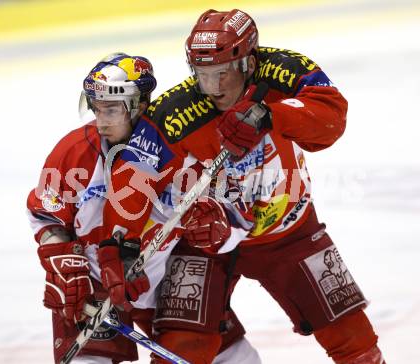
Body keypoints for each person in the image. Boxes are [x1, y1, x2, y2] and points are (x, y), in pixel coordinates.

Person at [103, 9, 386, 364]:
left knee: (354, 341)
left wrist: (271, 115)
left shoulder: (285, 71)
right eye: (203, 76)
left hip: (289, 232)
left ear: (248, 62)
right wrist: (118, 245)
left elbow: (333, 117)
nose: (214, 88)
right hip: (205, 240)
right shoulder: (177, 112)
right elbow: (133, 176)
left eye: (222, 74)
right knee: (181, 349)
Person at [27, 52, 260, 364]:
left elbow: (239, 218)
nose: (100, 120)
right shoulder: (74, 152)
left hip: (165, 278)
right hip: (95, 281)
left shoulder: (183, 152)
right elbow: (46, 213)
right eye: (96, 107)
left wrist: (217, 227)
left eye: (111, 109)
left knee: (235, 358)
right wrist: (61, 261)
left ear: (139, 105)